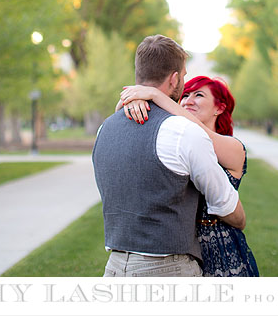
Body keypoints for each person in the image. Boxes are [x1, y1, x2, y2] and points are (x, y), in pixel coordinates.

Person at [91, 35, 245, 277]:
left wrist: (150, 98)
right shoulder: (184, 133)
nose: (187, 96)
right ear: (174, 79)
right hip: (167, 268)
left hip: (115, 267)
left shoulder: (104, 130)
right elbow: (230, 210)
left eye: (199, 95)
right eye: (183, 78)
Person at [118, 75, 259, 277]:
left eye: (198, 95)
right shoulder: (179, 142)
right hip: (181, 252)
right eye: (184, 95)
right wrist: (135, 99)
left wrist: (155, 94)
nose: (188, 101)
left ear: (219, 108)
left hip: (220, 247)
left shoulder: (233, 148)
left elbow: (202, 135)